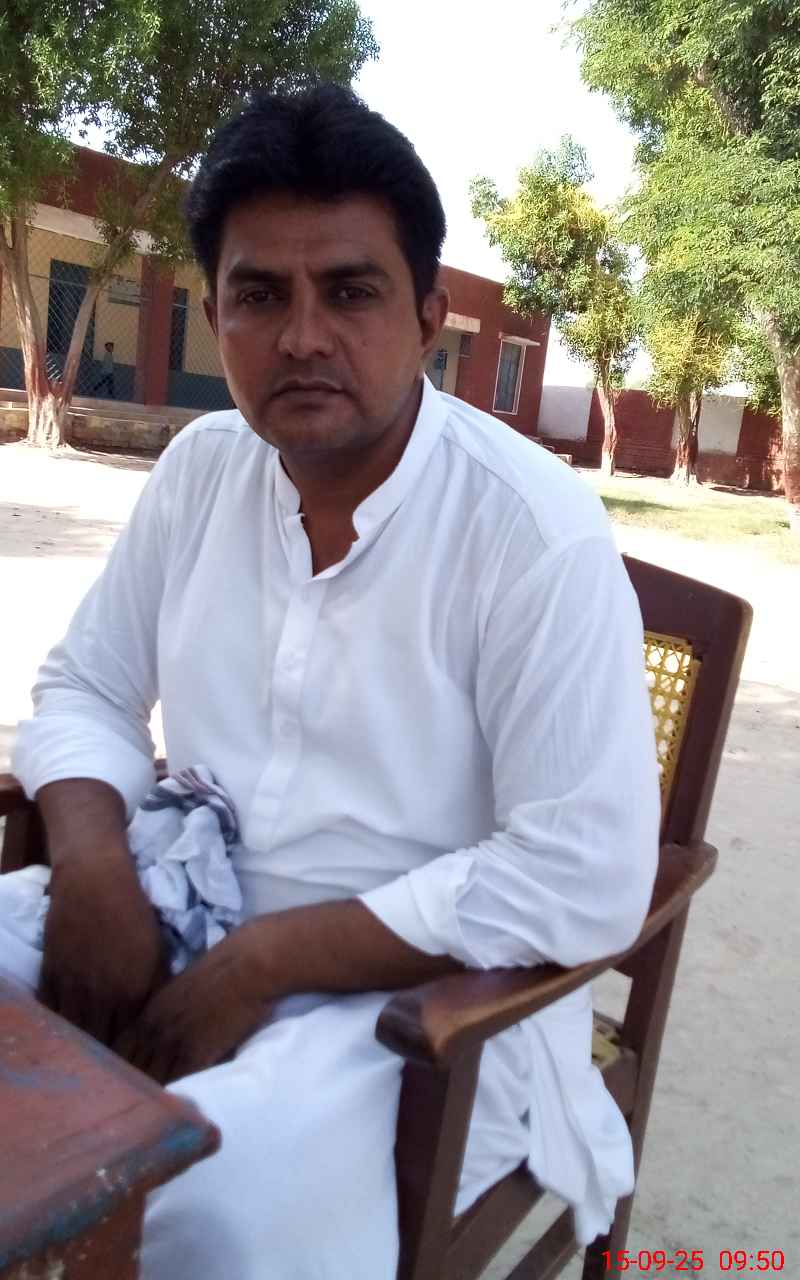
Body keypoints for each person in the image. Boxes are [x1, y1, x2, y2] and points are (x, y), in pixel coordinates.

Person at [7, 84, 659, 1278]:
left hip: (415, 1004)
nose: (302, 336)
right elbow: (88, 685)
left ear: (427, 317)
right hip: (174, 901)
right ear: (216, 312)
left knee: (194, 1203)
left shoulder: (532, 536)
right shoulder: (203, 469)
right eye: (261, 294)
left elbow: (584, 865)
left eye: (349, 291)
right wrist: (94, 864)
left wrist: (270, 958)